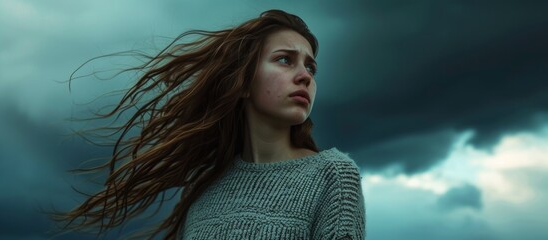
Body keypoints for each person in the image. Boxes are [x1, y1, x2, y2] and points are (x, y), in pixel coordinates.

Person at [55, 9, 365, 239]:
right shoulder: (204, 192)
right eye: (285, 59)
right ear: (243, 83)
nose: (305, 76)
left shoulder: (333, 175)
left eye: (311, 67)